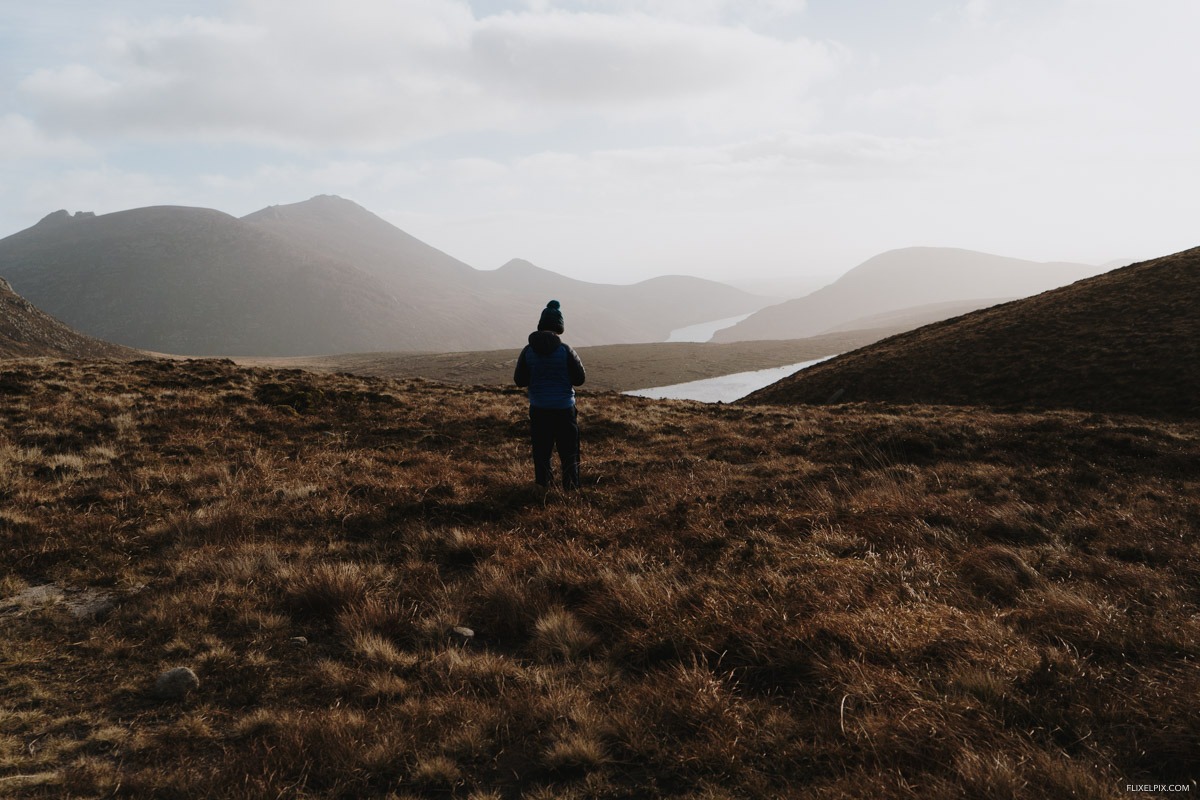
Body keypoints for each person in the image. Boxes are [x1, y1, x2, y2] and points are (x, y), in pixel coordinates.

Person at [514, 300, 586, 489]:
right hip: (564, 409)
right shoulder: (565, 350)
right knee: (569, 453)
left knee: (542, 453)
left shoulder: (528, 351)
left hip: (539, 409)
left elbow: (519, 380)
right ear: (559, 327)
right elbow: (579, 379)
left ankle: (543, 490)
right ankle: (571, 491)